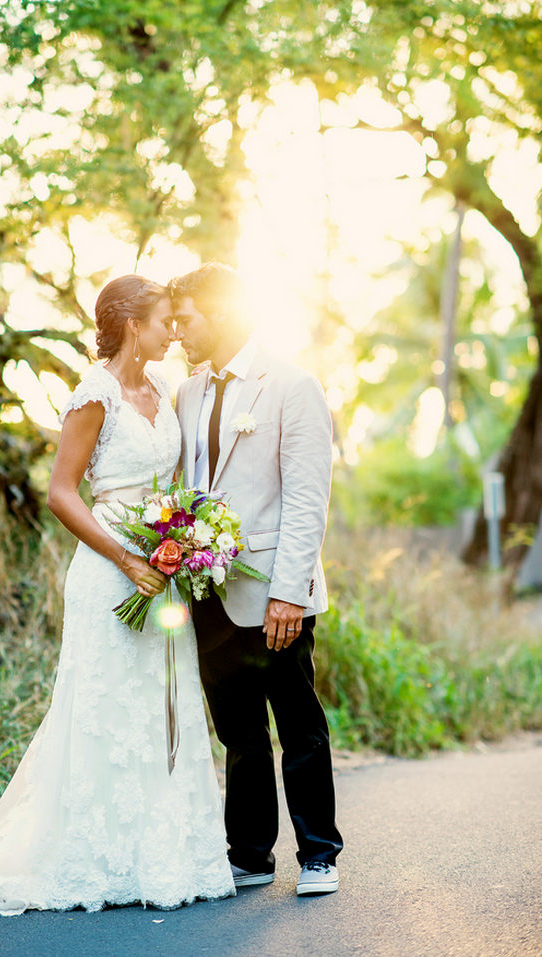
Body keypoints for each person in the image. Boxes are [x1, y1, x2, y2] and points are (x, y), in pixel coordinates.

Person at [0, 274, 234, 917]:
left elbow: (171, 479)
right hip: (111, 564)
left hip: (161, 565)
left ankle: (163, 854)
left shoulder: (164, 390)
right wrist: (126, 557)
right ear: (132, 324)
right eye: (164, 320)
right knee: (106, 705)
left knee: (160, 701)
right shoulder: (95, 395)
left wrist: (180, 544)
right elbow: (61, 491)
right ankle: (92, 855)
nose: (173, 330)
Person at [170, 262, 343, 897]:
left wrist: (289, 593)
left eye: (186, 319)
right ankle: (249, 854)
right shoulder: (187, 392)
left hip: (275, 591)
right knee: (238, 731)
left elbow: (307, 498)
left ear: (218, 313)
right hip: (206, 590)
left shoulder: (293, 386)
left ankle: (320, 854)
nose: (179, 332)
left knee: (298, 723)